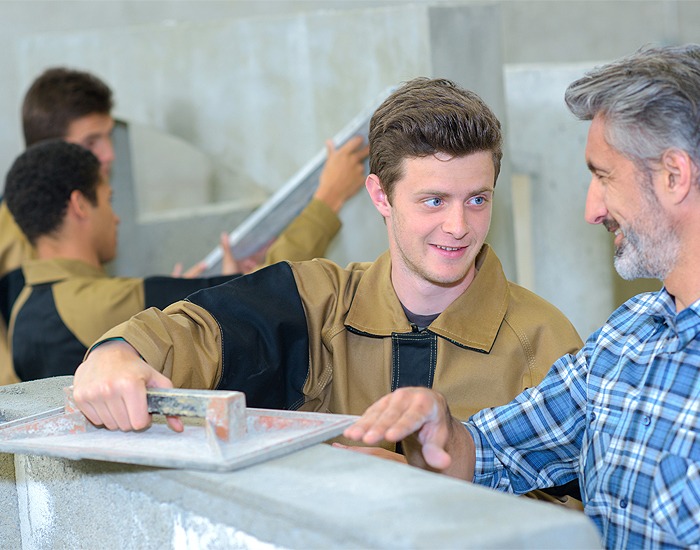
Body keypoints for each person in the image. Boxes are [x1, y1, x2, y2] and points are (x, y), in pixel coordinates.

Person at [72, 77, 582, 476]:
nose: (458, 226)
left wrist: (419, 485)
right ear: (380, 195)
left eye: (477, 199)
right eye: (433, 200)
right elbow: (202, 330)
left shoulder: (544, 342)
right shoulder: (316, 300)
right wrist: (117, 352)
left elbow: (574, 518)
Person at [344, 44, 700, 549]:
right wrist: (437, 425)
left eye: (603, 176)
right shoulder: (626, 340)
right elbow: (490, 451)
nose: (591, 209)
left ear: (674, 175)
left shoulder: (543, 332)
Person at [0, 66, 369, 384]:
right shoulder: (96, 302)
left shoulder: (25, 308)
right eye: (90, 143)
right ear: (78, 204)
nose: (107, 155)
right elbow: (259, 290)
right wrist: (327, 201)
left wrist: (179, 296)